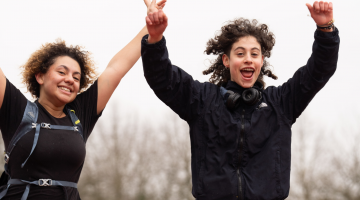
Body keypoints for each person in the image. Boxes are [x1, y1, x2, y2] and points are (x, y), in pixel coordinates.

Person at [141, 1, 339, 199]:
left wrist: (325, 29)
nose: (248, 59)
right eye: (240, 53)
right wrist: (155, 38)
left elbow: (318, 71)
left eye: (255, 54)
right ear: (226, 61)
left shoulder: (281, 103)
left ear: (262, 60)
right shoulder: (202, 101)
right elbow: (162, 78)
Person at [0, 1, 166, 200]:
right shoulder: (17, 110)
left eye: (76, 77)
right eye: (62, 72)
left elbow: (115, 69)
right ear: (40, 76)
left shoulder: (80, 115)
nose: (70, 79)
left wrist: (150, 29)